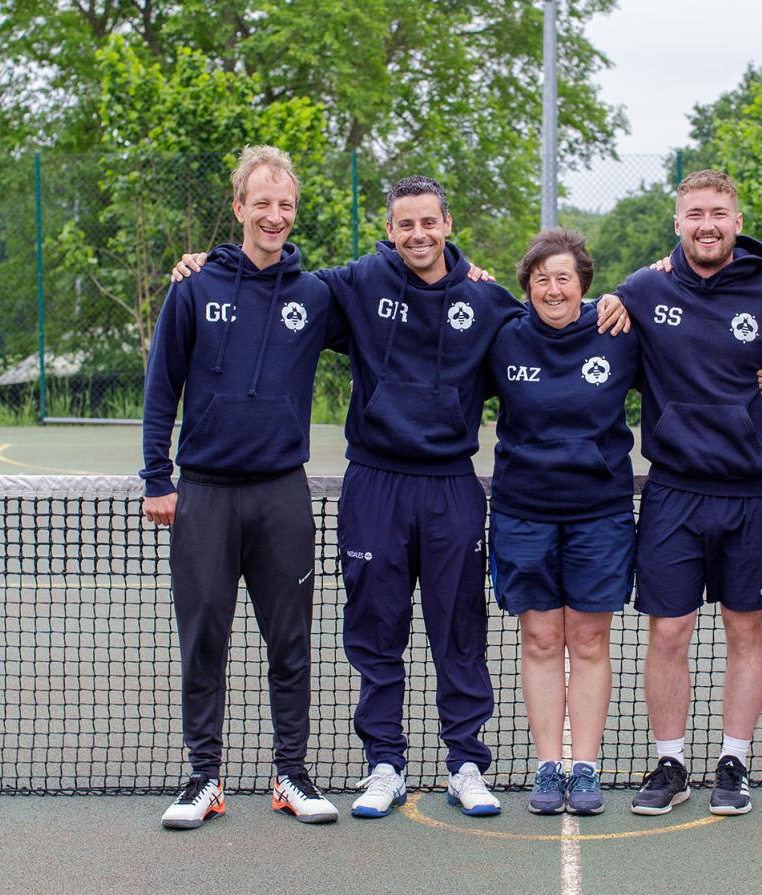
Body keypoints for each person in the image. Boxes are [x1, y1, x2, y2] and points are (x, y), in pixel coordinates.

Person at [172, 176, 521, 818]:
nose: (418, 235)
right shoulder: (355, 284)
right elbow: (268, 284)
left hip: (451, 487)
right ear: (389, 231)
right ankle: (383, 764)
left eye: (429, 223)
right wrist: (206, 263)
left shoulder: (489, 300)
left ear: (448, 224)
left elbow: (548, 340)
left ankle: (466, 763)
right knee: (376, 628)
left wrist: (613, 307)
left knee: (460, 630)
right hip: (374, 486)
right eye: (404, 224)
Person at [141, 146, 346, 829]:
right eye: (262, 202)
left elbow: (399, 300)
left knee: (289, 642)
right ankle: (204, 778)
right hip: (203, 495)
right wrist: (157, 477)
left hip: (281, 496)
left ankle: (292, 774)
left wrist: (466, 272)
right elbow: (160, 387)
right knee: (204, 639)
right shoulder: (193, 288)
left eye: (285, 204)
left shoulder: (316, 295)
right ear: (239, 208)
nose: (275, 215)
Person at [599, 170, 762, 817]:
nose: (707, 224)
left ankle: (733, 762)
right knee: (669, 633)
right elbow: (595, 315)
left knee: (746, 632)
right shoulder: (644, 289)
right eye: (694, 214)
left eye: (718, 213)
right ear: (677, 223)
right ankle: (672, 761)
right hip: (674, 493)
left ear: (737, 221)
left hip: (752, 496)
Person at [484, 228, 639, 816]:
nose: (553, 288)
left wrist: (758, 372)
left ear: (584, 285)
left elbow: (691, 351)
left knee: (591, 639)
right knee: (543, 638)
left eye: (564, 278)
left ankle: (586, 766)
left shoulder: (619, 332)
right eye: (541, 278)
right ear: (527, 286)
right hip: (524, 511)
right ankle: (548, 766)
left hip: (599, 513)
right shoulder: (503, 339)